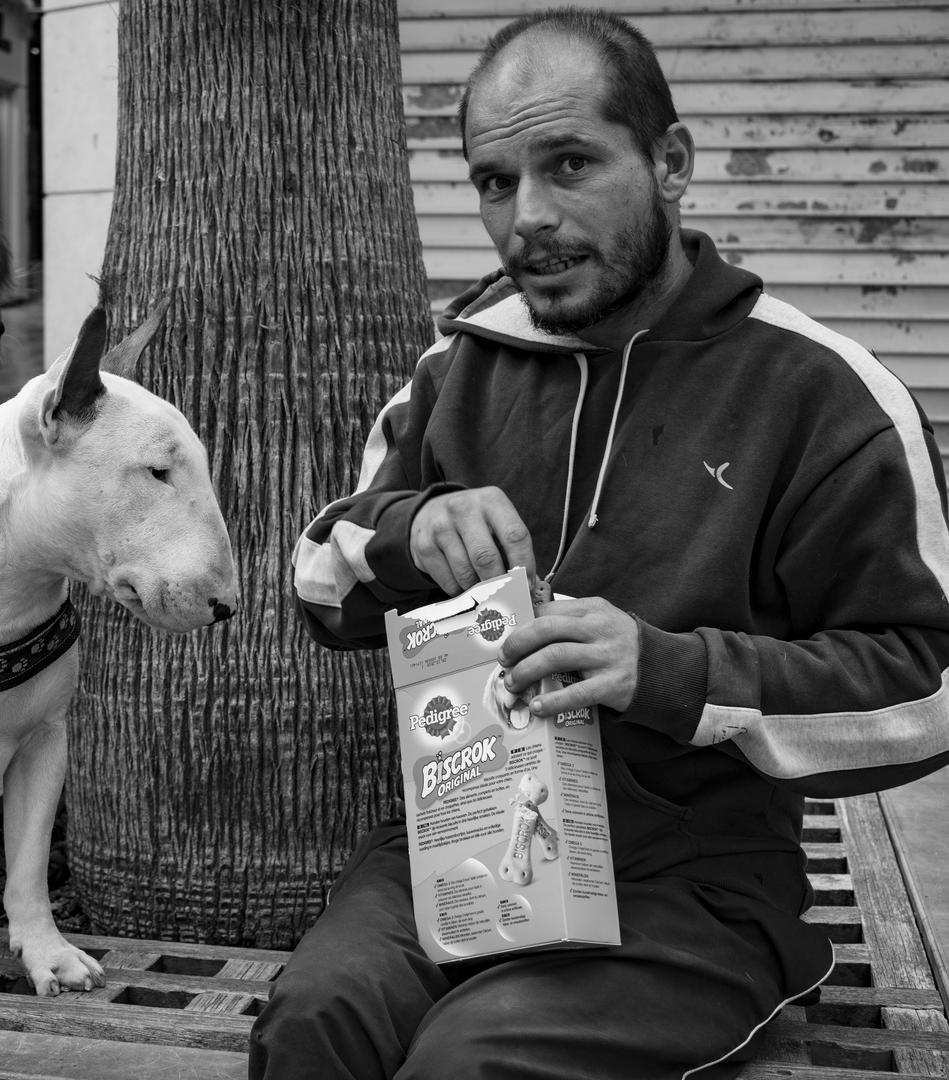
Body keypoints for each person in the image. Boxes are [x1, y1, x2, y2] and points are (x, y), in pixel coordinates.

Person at [259, 8, 949, 1079]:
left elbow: (924, 691)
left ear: (671, 162)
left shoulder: (821, 394)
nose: (527, 217)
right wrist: (403, 531)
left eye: (569, 163)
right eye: (495, 181)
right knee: (315, 1022)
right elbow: (319, 585)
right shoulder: (459, 367)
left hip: (695, 885)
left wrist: (671, 671)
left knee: (473, 1062)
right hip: (464, 837)